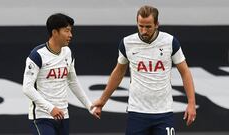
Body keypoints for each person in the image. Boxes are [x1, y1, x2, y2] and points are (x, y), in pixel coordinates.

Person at [92, 5, 196, 135]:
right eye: (140, 26)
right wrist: (102, 100)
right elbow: (118, 72)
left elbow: (185, 72)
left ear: (157, 24)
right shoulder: (127, 43)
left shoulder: (170, 42)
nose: (144, 31)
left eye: (148, 27)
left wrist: (191, 103)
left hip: (163, 112)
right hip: (137, 112)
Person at [22, 13, 99, 135]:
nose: (70, 35)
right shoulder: (37, 55)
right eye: (67, 31)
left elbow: (73, 82)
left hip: (63, 115)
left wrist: (89, 106)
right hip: (42, 117)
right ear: (54, 32)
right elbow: (27, 88)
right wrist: (50, 108)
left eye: (71, 31)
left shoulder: (67, 52)